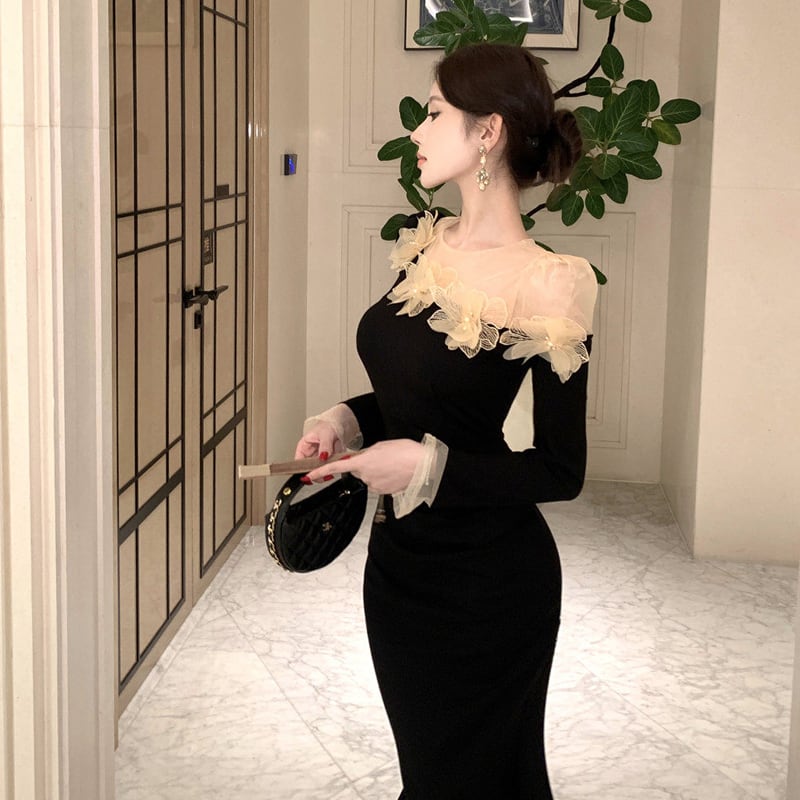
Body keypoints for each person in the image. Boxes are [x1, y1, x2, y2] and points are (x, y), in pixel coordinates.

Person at [296, 42, 597, 799]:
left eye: (434, 114)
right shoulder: (427, 247)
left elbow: (561, 470)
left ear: (487, 132)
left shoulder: (552, 282)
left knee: (480, 780)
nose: (417, 132)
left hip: (491, 585)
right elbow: (414, 399)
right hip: (398, 568)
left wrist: (426, 467)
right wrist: (344, 419)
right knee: (427, 773)